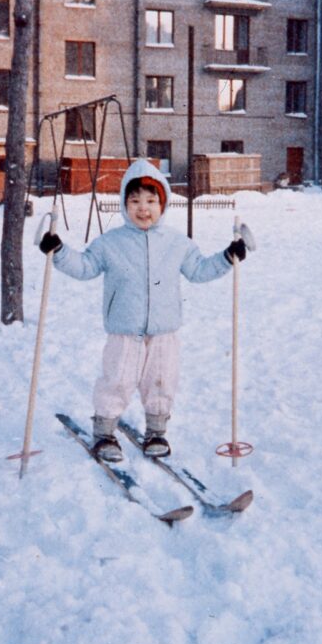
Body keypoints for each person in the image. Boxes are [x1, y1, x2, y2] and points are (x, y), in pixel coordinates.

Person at [40, 158, 247, 462]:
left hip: (164, 331)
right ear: (125, 204)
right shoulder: (111, 242)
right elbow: (85, 267)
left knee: (161, 381)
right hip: (124, 329)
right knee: (117, 380)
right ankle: (105, 432)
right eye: (135, 200)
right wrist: (58, 252)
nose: (143, 208)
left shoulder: (177, 242)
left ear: (162, 203)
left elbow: (199, 270)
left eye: (151, 200)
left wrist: (228, 257)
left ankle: (156, 431)